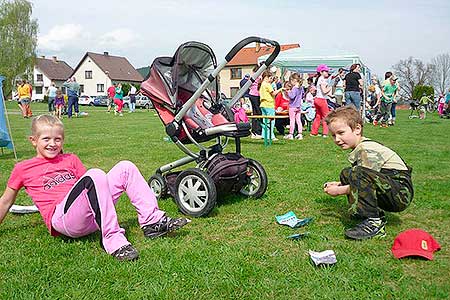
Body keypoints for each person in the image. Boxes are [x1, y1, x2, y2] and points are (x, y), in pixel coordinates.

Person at [0, 115, 190, 261]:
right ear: (33, 140)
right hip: (63, 220)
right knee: (96, 174)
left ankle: (152, 222)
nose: (53, 144)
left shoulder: (70, 159)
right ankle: (113, 240)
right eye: (46, 139)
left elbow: (91, 188)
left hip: (89, 216)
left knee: (126, 167)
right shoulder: (23, 168)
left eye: (58, 139)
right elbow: (6, 200)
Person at [323, 106, 413, 240]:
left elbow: (363, 181)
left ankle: (374, 223)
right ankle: (362, 212)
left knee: (358, 174)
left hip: (400, 194)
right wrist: (340, 183)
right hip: (390, 187)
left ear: (357, 129)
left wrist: (339, 190)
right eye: (333, 135)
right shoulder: (361, 147)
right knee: (347, 173)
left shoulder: (366, 149)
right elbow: (366, 180)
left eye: (341, 133)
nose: (337, 139)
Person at [259, 70, 283, 141]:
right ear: (266, 77)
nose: (271, 80)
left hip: (263, 105)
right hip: (269, 105)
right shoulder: (267, 84)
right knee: (271, 121)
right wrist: (280, 89)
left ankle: (264, 134)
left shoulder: (262, 84)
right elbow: (273, 93)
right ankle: (271, 136)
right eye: (270, 78)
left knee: (265, 121)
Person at [311, 64, 332, 137]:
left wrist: (330, 95)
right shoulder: (322, 79)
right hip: (321, 100)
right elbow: (324, 91)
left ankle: (313, 132)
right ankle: (325, 133)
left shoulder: (319, 79)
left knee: (318, 116)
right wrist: (331, 86)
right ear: (321, 72)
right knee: (326, 116)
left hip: (317, 99)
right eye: (326, 71)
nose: (327, 72)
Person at [285, 73, 304, 140]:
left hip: (292, 106)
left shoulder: (294, 88)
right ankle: (300, 133)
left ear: (293, 80)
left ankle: (291, 134)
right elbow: (302, 95)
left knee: (292, 120)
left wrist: (288, 92)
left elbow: (292, 96)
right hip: (298, 106)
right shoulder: (301, 88)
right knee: (298, 120)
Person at [248, 66, 263, 139]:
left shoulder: (252, 76)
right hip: (256, 95)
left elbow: (249, 85)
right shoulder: (259, 76)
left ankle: (253, 131)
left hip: (251, 94)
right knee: (258, 113)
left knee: (254, 113)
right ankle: (258, 131)